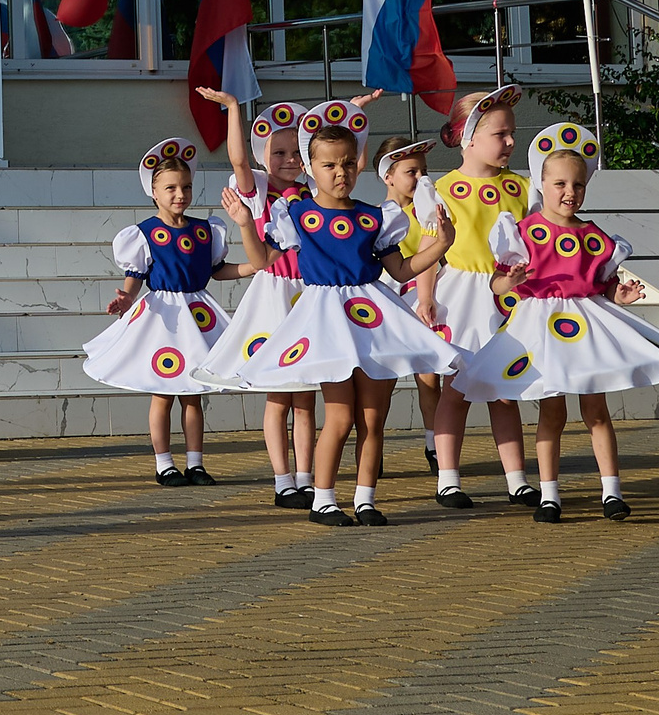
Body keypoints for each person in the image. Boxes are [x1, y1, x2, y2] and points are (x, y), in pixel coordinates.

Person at [453, 123, 659, 523]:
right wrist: (511, 280)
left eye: (578, 185)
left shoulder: (594, 236)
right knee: (551, 411)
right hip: (542, 326)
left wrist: (619, 296)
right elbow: (498, 281)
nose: (569, 192)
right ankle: (550, 495)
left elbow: (603, 284)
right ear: (541, 184)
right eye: (559, 184)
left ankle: (611, 491)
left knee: (597, 410)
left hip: (587, 326)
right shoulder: (524, 233)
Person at [231, 113, 457, 527]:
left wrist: (441, 242)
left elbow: (403, 269)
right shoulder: (295, 213)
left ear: (358, 163)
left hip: (374, 317)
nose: (340, 172)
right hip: (327, 320)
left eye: (348, 164)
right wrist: (247, 224)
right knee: (339, 415)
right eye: (329, 165)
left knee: (373, 417)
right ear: (310, 167)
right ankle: (323, 498)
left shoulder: (377, 216)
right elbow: (263, 260)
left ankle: (366, 498)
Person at [82, 138, 261, 486]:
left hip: (197, 314)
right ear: (154, 191)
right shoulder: (144, 234)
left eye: (186, 187)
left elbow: (217, 270)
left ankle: (195, 463)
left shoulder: (205, 230)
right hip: (163, 316)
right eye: (170, 188)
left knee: (194, 394)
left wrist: (253, 267)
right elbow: (134, 278)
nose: (179, 194)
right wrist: (125, 300)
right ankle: (164, 463)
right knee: (163, 393)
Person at [190, 92, 318, 503]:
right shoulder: (258, 192)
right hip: (276, 296)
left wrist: (353, 114)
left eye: (295, 150)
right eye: (278, 152)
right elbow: (238, 161)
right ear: (265, 156)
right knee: (279, 393)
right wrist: (232, 109)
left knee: (307, 397)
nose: (289, 159)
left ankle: (307, 477)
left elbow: (344, 154)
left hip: (311, 296)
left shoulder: (315, 191)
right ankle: (283, 481)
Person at [427, 86, 539, 510]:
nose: (511, 142)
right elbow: (428, 246)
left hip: (508, 296)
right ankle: (448, 479)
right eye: (500, 134)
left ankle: (517, 479)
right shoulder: (442, 188)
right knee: (455, 389)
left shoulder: (523, 188)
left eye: (512, 134)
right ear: (468, 138)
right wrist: (425, 298)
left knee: (504, 391)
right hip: (459, 297)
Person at [371, 136, 450, 470]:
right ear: (388, 176)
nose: (420, 178)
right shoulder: (375, 216)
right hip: (388, 299)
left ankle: (434, 447)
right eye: (410, 171)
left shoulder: (429, 212)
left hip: (425, 298)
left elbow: (434, 256)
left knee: (430, 375)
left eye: (423, 171)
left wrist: (427, 295)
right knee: (382, 378)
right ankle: (372, 448)